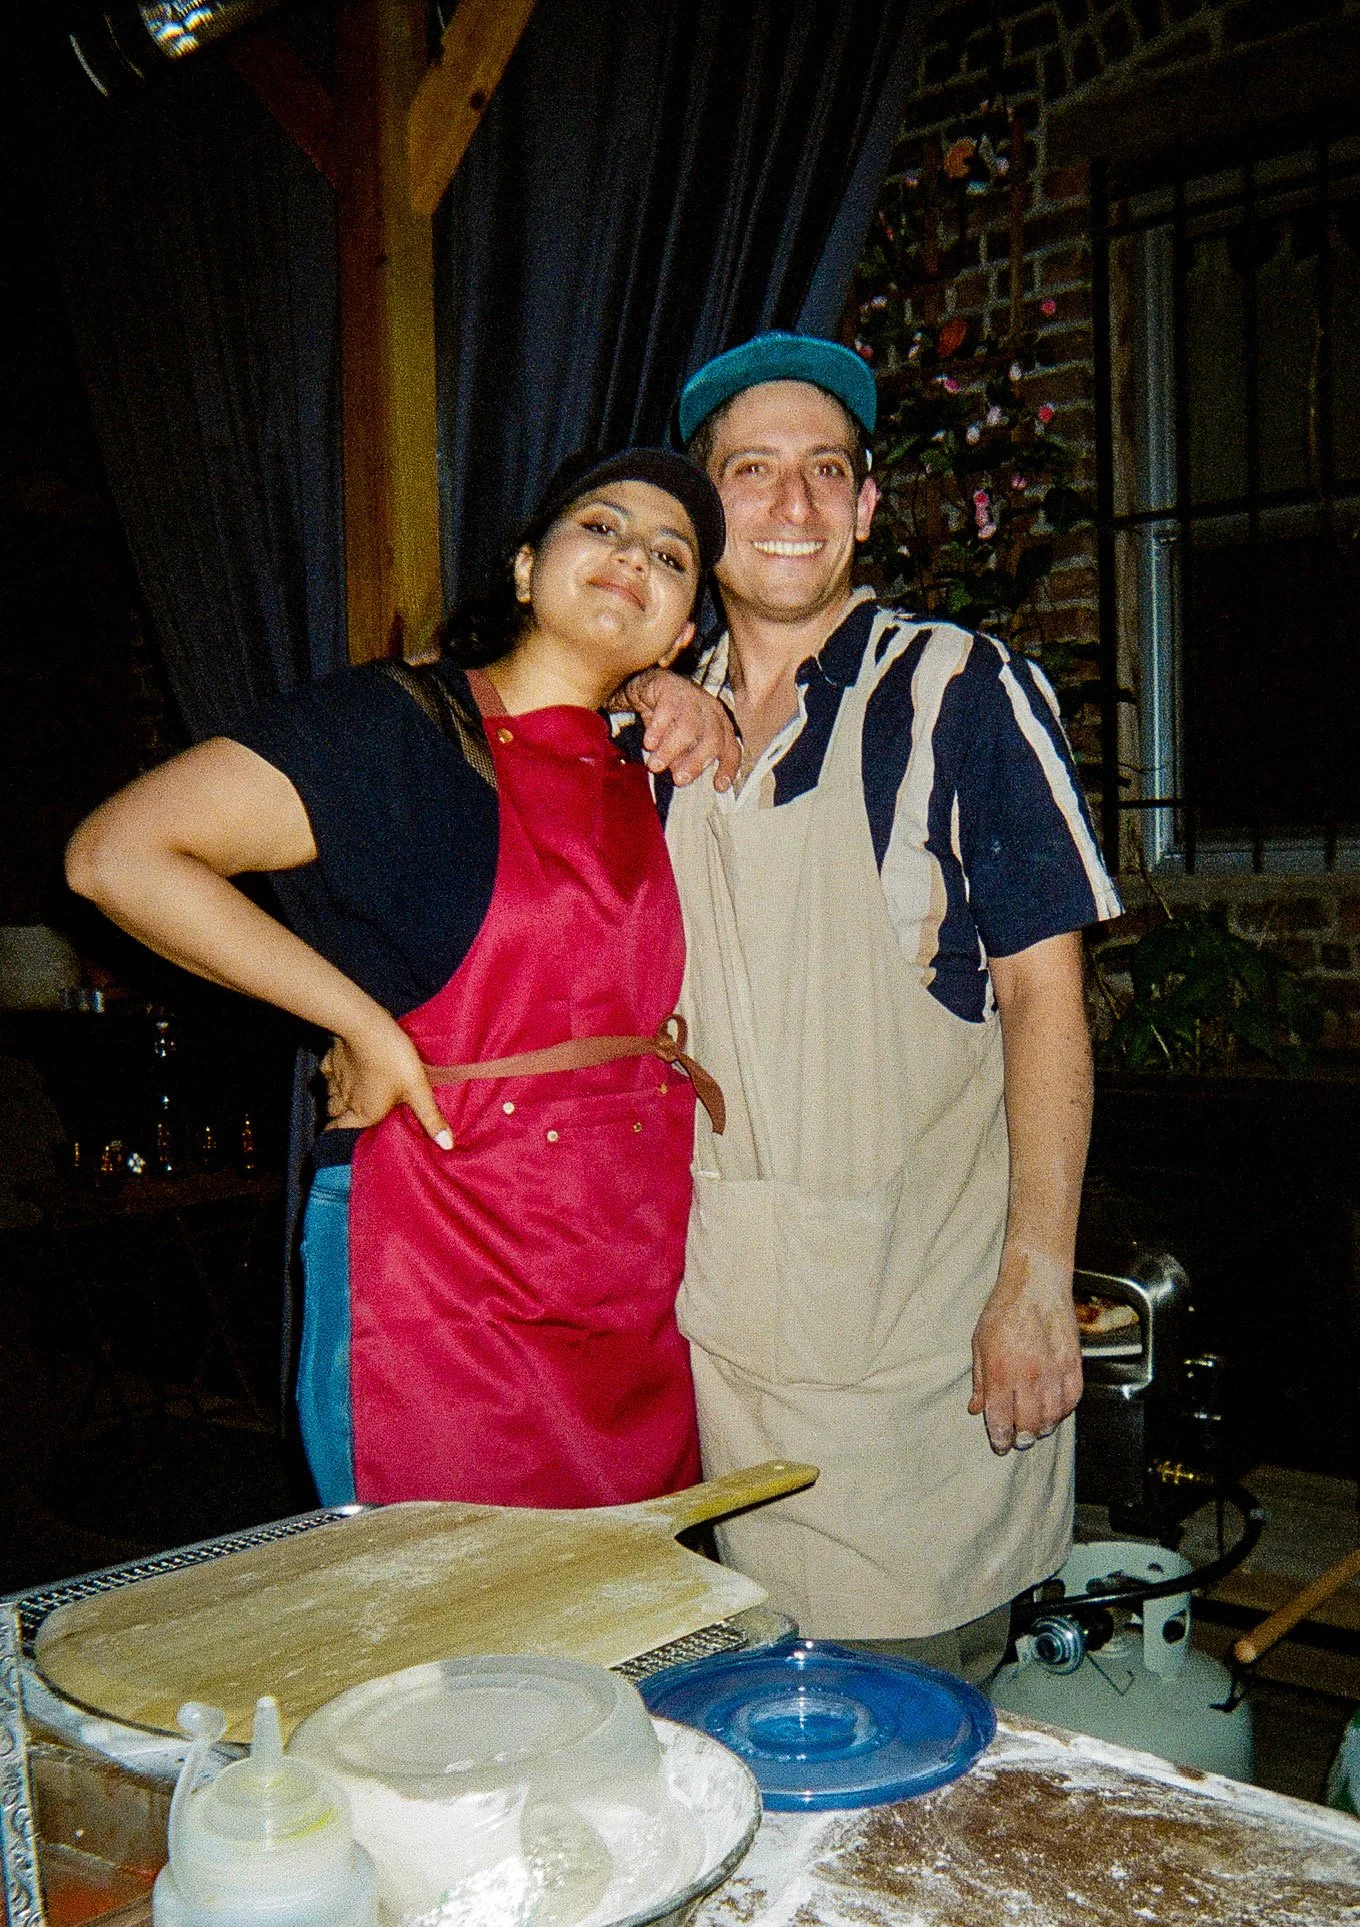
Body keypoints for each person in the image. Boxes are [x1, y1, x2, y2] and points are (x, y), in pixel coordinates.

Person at [65, 448, 734, 1512]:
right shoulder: (397, 730)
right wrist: (360, 1024)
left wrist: (675, 697)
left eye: (670, 555)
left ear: (684, 632)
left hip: (630, 1280)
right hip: (441, 1267)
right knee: (450, 1600)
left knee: (629, 1597)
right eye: (601, 527)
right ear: (526, 569)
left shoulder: (659, 765)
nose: (632, 558)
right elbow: (117, 856)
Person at [661, 332, 1123, 1684]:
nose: (792, 504)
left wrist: (1035, 1281)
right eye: (752, 471)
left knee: (903, 1743)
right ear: (701, 512)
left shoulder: (959, 692)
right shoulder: (651, 727)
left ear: (865, 507)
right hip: (709, 1353)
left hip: (913, 1367)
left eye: (826, 471)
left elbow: (1044, 998)